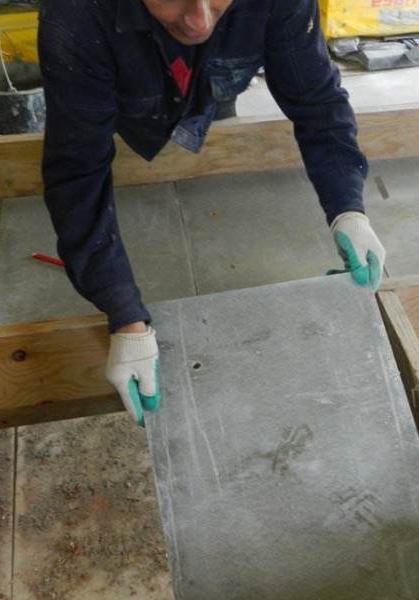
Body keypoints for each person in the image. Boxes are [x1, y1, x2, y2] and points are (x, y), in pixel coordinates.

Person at [38, 0, 386, 425]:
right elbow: (77, 170)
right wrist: (124, 315)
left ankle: (201, 104)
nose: (199, 20)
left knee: (210, 102)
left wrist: (347, 208)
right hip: (123, 87)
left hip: (214, 78)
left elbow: (317, 103)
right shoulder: (75, 15)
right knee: (115, 122)